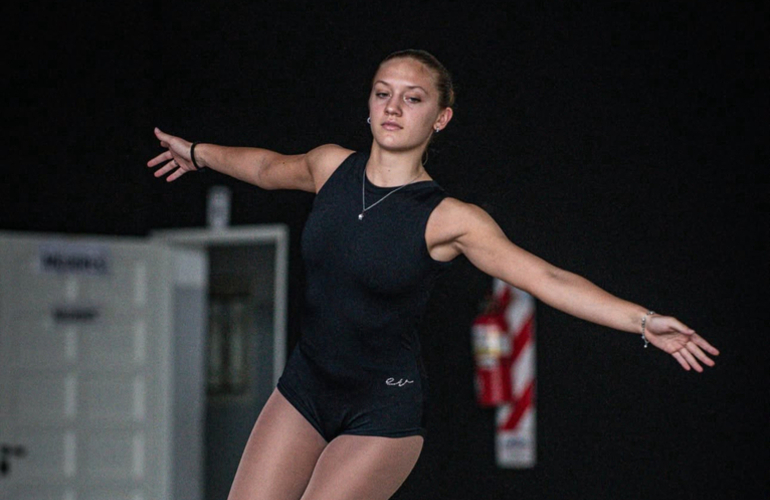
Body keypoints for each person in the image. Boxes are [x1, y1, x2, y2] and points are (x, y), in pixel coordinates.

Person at [147, 49, 719, 500]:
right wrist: (197, 153)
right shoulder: (329, 167)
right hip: (304, 389)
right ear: (369, 105)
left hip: (382, 409)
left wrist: (643, 321)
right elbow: (267, 167)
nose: (393, 107)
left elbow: (547, 278)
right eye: (383, 93)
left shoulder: (450, 219)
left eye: (413, 98)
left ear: (440, 118)